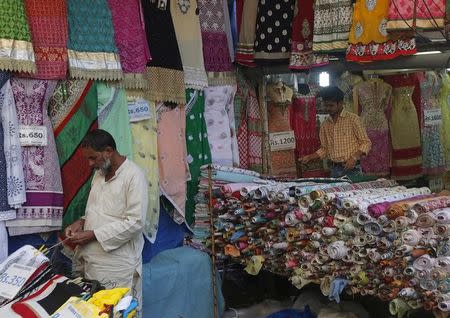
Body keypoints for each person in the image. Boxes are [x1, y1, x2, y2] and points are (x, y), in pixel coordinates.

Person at [64, 129, 148, 309]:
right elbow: (99, 211)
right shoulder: (100, 173)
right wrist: (81, 222)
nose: (89, 164)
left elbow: (135, 222)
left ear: (109, 151)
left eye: (93, 158)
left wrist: (93, 234)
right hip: (91, 259)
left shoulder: (133, 176)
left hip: (116, 265)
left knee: (116, 311)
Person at [299, 86, 372, 178]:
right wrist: (309, 157)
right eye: (326, 105)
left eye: (331, 105)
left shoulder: (353, 119)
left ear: (341, 103)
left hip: (352, 169)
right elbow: (325, 149)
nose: (328, 108)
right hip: (334, 170)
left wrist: (354, 158)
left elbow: (366, 142)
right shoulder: (325, 125)